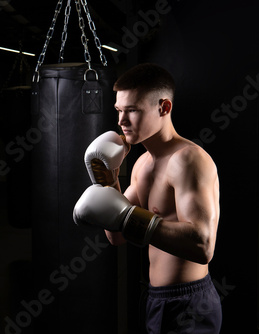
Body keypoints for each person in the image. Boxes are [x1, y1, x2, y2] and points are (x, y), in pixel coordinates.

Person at [73, 63, 222, 333]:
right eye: (119, 110)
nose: (121, 121)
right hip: (155, 298)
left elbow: (203, 247)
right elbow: (117, 235)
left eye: (133, 110)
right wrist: (108, 180)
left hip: (189, 303)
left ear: (164, 108)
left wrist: (127, 217)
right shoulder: (142, 164)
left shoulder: (188, 160)